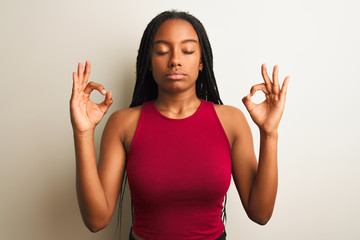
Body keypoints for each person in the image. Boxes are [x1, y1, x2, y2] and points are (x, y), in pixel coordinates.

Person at [70, 10, 289, 240]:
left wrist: (269, 133)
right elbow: (96, 220)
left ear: (202, 61)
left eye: (188, 50)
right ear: (149, 63)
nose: (175, 60)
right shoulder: (123, 123)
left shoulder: (231, 121)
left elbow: (260, 213)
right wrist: (82, 132)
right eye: (163, 51)